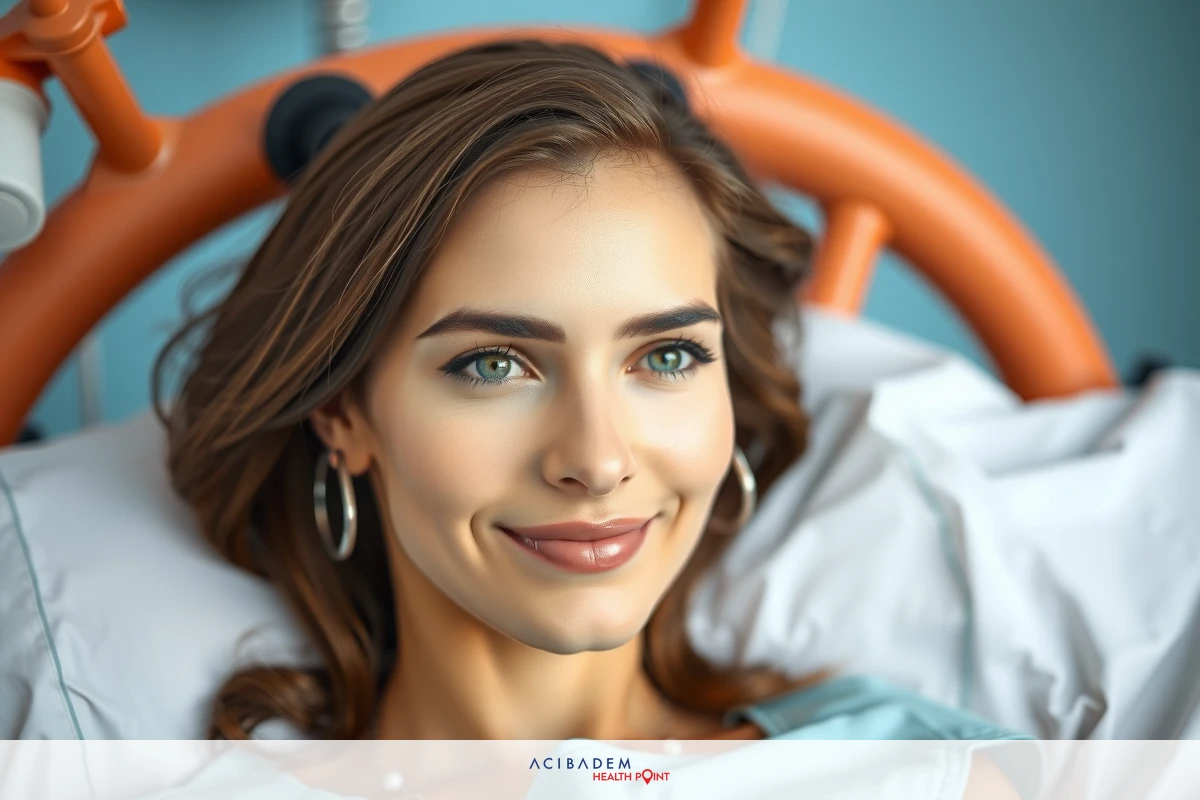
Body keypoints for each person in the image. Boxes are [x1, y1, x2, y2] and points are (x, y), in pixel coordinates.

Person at [151, 40, 1032, 795]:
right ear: (343, 414)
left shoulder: (910, 770)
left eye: (667, 357)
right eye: (494, 365)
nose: (598, 459)